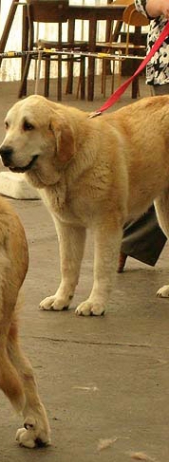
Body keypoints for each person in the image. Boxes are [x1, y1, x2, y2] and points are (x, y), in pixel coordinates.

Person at [118, 0, 169, 272]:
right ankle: (127, 243)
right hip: (165, 70)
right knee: (157, 171)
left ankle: (128, 243)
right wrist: (160, 5)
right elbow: (142, 2)